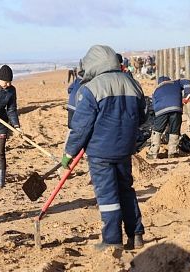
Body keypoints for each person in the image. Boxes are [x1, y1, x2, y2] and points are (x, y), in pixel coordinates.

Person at [62, 45, 147, 250]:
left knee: (108, 195)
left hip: (100, 152)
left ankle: (111, 240)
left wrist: (68, 153)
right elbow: (142, 116)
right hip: (125, 149)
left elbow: (81, 126)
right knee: (126, 190)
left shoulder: (92, 88)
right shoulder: (132, 84)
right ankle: (135, 234)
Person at [146, 76, 190, 159]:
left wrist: (157, 115)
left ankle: (152, 153)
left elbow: (153, 105)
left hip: (160, 111)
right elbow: (187, 81)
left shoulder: (156, 90)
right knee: (174, 130)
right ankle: (173, 152)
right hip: (176, 108)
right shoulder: (176, 82)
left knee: (157, 130)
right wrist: (187, 95)